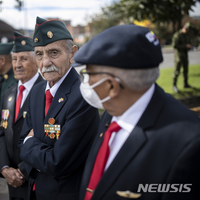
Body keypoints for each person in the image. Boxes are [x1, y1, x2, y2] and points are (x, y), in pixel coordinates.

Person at [73, 24, 200, 200]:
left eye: (89, 74)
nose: (85, 82)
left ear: (112, 86)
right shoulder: (113, 111)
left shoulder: (189, 145)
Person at [18, 17, 100, 200]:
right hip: (35, 189)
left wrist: (29, 144)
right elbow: (21, 139)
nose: (45, 62)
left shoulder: (83, 96)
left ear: (72, 54)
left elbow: (58, 163)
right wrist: (33, 147)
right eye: (39, 54)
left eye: (53, 52)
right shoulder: (38, 90)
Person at [0, 31, 44, 200]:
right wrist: (4, 167)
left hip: (35, 176)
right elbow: (0, 132)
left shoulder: (46, 91)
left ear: (37, 62)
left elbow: (46, 138)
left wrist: (21, 171)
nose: (17, 65)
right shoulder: (9, 93)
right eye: (14, 59)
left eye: (23, 59)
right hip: (11, 178)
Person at [172, 22, 194, 92]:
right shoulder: (178, 35)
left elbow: (189, 43)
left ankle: (186, 84)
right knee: (177, 71)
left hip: (185, 55)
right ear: (185, 28)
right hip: (179, 56)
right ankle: (174, 85)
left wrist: (190, 46)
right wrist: (185, 46)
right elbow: (174, 46)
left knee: (185, 70)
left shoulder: (187, 35)